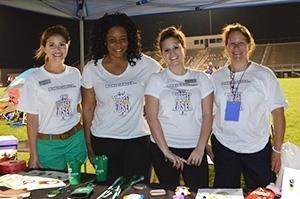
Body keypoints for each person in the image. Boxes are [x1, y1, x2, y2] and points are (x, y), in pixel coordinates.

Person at [81, 12, 161, 184]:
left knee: (138, 191)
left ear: (130, 39)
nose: (118, 44)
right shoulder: (91, 69)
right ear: (104, 41)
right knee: (108, 190)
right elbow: (87, 108)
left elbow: (165, 91)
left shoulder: (147, 65)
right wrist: (89, 144)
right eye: (112, 40)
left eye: (123, 39)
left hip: (138, 140)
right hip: (103, 140)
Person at [210, 23, 287, 190]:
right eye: (232, 43)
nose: (236, 47)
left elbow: (278, 113)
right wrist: (205, 145)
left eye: (241, 43)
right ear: (226, 47)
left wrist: (277, 150)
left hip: (256, 146)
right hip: (224, 146)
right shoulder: (216, 78)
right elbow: (209, 114)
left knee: (263, 192)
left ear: (249, 45)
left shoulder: (264, 75)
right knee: (225, 193)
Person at [145, 26, 214, 191]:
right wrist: (166, 152)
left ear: (184, 48)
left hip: (194, 150)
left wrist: (200, 148)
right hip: (164, 150)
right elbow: (151, 117)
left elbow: (207, 115)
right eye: (167, 50)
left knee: (198, 193)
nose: (172, 53)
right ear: (162, 54)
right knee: (168, 193)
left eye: (176, 47)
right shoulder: (156, 79)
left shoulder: (201, 78)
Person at [18, 25, 87, 170]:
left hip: (75, 140)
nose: (57, 49)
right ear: (44, 48)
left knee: (77, 185)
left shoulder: (75, 73)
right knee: (54, 188)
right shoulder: (34, 78)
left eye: (62, 44)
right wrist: (33, 155)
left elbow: (78, 107)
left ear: (68, 46)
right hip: (48, 144)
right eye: (52, 45)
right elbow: (32, 119)